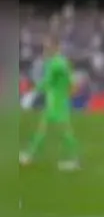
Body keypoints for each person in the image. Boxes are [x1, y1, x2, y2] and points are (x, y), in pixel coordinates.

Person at [20, 42, 80, 170]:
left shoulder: (53, 64)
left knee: (62, 130)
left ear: (54, 48)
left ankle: (74, 160)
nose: (45, 51)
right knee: (46, 128)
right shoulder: (64, 62)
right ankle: (29, 155)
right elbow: (71, 82)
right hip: (61, 100)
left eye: (47, 48)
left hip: (55, 102)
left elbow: (47, 82)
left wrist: (32, 89)